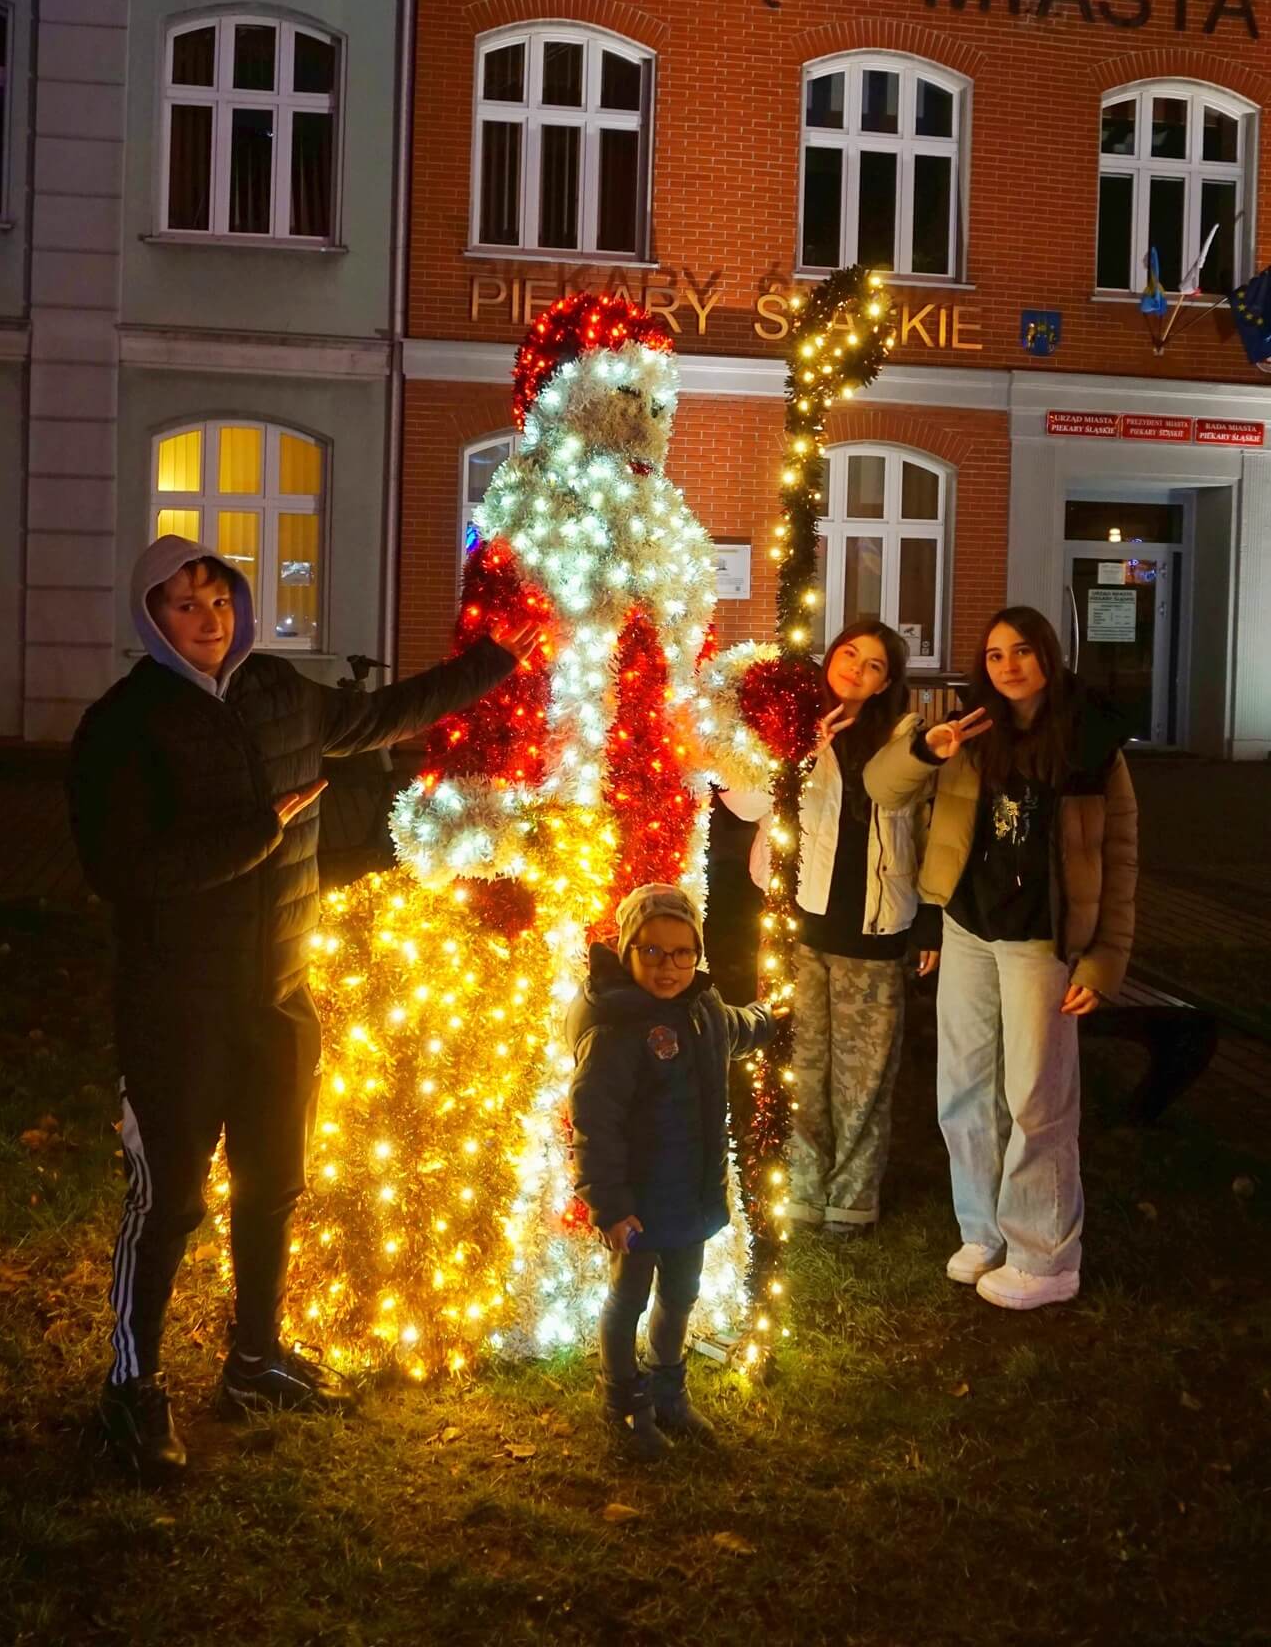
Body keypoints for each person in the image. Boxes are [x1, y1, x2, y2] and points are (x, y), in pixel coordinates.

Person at [69, 534, 538, 1479]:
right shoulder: (123, 725)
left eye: (220, 601)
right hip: (177, 1005)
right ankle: (132, 1387)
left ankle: (253, 1359)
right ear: (152, 619)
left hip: (278, 995)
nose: (210, 622)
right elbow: (120, 870)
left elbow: (380, 715)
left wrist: (498, 663)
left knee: (273, 1185)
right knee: (167, 1202)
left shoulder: (280, 691)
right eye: (185, 607)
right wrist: (252, 837)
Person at [865, 605, 1138, 1309]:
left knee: (1036, 1095)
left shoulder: (1091, 742)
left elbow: (1119, 855)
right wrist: (932, 748)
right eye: (994, 655)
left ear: (1048, 654)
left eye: (1022, 651)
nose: (1008, 665)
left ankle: (1046, 1254)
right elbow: (882, 788)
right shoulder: (970, 730)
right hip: (968, 928)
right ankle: (982, 1229)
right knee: (961, 1088)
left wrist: (1105, 958)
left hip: (1042, 939)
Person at [721, 620, 928, 1239]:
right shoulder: (787, 719)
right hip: (800, 923)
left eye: (874, 666)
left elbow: (920, 821)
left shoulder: (904, 736)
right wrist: (801, 747)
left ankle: (853, 1198)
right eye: (849, 655)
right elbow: (745, 802)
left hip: (877, 926)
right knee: (801, 1066)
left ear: (888, 682)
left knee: (865, 1075)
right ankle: (805, 1188)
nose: (857, 671)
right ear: (830, 656)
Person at [567, 883, 775, 1459]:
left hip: (690, 1195)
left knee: (681, 1293)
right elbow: (595, 1123)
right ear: (628, 949)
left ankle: (668, 1390)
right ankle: (623, 1402)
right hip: (638, 1203)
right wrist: (608, 1204)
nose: (669, 967)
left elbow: (734, 1029)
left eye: (684, 952)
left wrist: (768, 1018)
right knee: (627, 1298)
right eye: (652, 952)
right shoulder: (615, 1027)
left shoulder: (702, 1008)